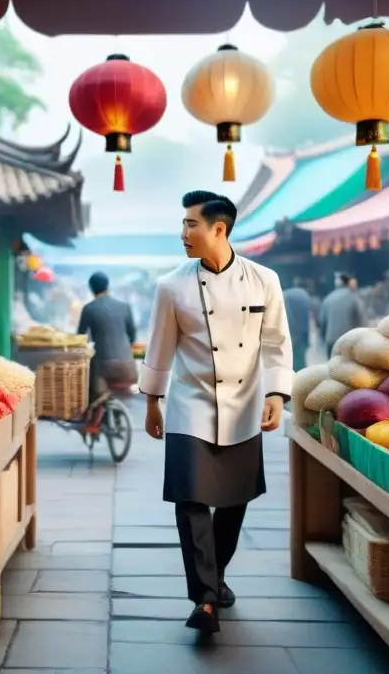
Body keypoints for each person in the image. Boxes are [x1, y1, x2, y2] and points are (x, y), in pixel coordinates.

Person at [140, 190, 293, 634]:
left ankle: (216, 577)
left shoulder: (265, 280)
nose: (183, 233)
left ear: (218, 229)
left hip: (245, 403)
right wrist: (152, 399)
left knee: (233, 500)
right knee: (190, 499)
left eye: (191, 224)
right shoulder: (171, 285)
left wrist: (277, 395)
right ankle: (204, 598)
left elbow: (276, 343)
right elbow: (160, 346)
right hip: (190, 404)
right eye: (184, 223)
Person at [77, 271, 138, 403]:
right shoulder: (124, 307)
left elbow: (80, 339)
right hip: (128, 368)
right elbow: (132, 335)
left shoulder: (89, 308)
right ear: (107, 286)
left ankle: (91, 420)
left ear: (91, 288)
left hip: (103, 370)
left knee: (91, 391)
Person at [318, 274, 365, 357]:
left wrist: (322, 339)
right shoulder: (354, 298)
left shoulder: (328, 299)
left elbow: (322, 322)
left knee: (333, 368)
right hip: (348, 341)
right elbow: (361, 320)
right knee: (348, 368)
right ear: (348, 283)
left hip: (331, 341)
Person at [282, 282, 311, 371]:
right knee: (300, 358)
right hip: (302, 330)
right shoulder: (304, 294)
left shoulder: (284, 295)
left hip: (290, 331)